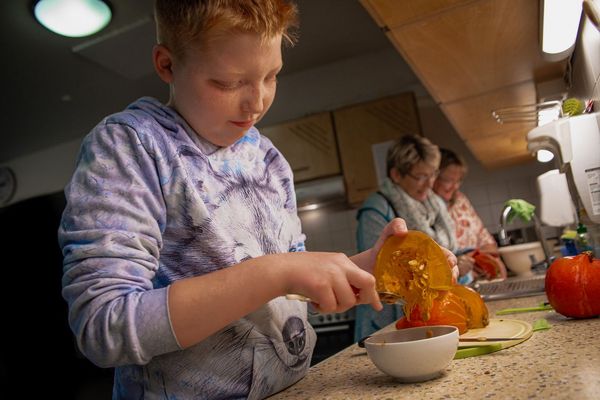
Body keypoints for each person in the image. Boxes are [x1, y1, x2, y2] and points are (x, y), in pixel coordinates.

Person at [57, 1, 429, 398]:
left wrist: (359, 270)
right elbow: (104, 327)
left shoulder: (268, 159)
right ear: (166, 64)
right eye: (228, 82)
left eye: (272, 75)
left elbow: (290, 288)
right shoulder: (131, 146)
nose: (257, 102)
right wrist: (275, 271)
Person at [354, 134, 458, 341]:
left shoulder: (433, 205)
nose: (429, 184)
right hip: (385, 323)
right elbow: (383, 274)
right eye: (420, 177)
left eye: (432, 175)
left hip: (423, 317)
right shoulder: (375, 210)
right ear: (396, 174)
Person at [433, 148, 507, 283]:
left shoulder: (461, 199)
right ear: (434, 177)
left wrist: (483, 257)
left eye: (458, 181)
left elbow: (486, 241)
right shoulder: (427, 209)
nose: (455, 187)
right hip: (455, 282)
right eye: (449, 180)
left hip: (479, 280)